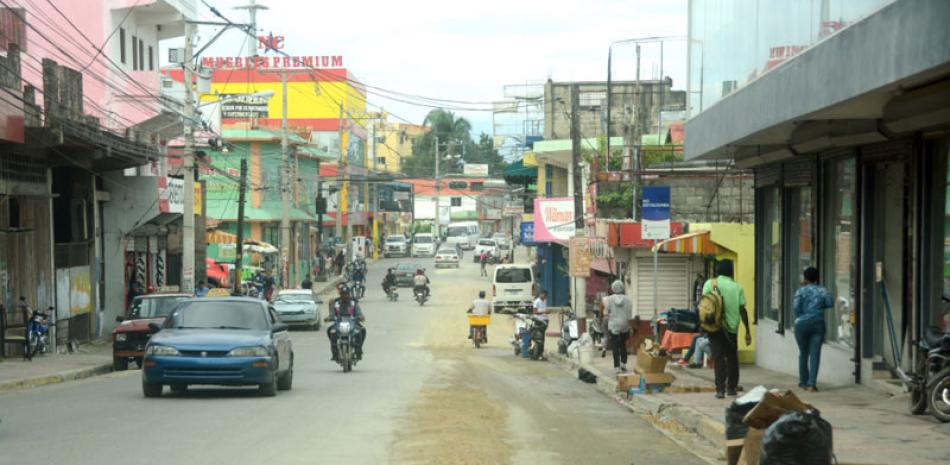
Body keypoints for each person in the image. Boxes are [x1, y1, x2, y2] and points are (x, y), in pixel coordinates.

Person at [702, 259, 752, 398]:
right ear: (731, 272)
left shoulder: (709, 284)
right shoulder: (737, 287)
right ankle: (731, 388)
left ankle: (719, 390)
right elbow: (743, 310)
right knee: (731, 357)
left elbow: (704, 304)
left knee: (718, 357)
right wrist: (747, 331)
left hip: (714, 326)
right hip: (731, 328)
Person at [793, 266, 833, 392]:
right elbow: (830, 303)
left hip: (801, 324)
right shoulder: (822, 290)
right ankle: (812, 384)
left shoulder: (800, 291)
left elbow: (795, 307)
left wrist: (802, 316)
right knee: (815, 354)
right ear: (817, 278)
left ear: (805, 278)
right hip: (818, 323)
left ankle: (803, 382)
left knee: (803, 353)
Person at [325, 285, 366, 361]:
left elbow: (359, 313)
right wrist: (329, 318)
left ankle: (358, 351)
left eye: (346, 294)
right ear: (340, 295)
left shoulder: (354, 303)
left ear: (349, 294)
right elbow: (332, 314)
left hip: (352, 323)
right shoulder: (336, 303)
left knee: (362, 330)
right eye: (343, 294)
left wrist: (360, 317)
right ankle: (335, 353)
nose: (345, 295)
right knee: (330, 331)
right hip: (338, 323)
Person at [605, 280, 633, 373]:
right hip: (625, 324)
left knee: (615, 346)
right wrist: (630, 325)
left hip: (613, 325)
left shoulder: (609, 299)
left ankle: (616, 367)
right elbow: (629, 314)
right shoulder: (628, 299)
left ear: (613, 288)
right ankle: (623, 364)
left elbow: (606, 312)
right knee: (623, 345)